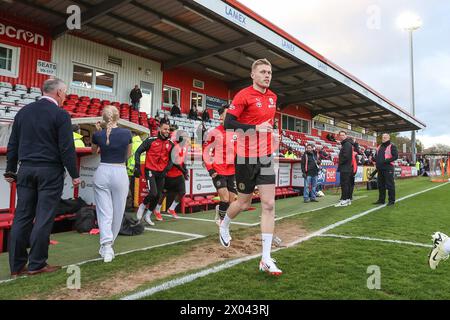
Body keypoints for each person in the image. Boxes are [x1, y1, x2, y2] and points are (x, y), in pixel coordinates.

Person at [4, 78, 80, 277]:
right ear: (58, 93)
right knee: (44, 217)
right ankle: (37, 264)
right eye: (65, 93)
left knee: (22, 217)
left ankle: (17, 266)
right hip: (49, 171)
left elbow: (13, 144)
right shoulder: (60, 114)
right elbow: (66, 148)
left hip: (26, 169)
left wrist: (11, 170)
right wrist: (75, 174)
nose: (65, 96)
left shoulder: (23, 112)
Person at [219, 58, 282, 275]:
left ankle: (265, 258)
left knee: (269, 205)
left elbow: (266, 125)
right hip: (245, 158)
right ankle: (224, 223)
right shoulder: (243, 95)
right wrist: (256, 127)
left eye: (270, 72)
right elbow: (228, 124)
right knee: (244, 203)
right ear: (252, 75)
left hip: (265, 157)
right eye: (263, 72)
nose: (267, 75)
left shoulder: (273, 97)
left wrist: (271, 134)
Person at [92, 105, 132, 263]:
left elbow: (93, 151)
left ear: (103, 118)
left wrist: (98, 132)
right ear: (118, 118)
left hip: (103, 171)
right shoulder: (127, 133)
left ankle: (106, 245)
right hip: (119, 171)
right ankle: (108, 245)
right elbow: (127, 155)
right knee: (117, 212)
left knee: (104, 212)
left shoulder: (98, 134)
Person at [202, 105, 237, 226]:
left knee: (232, 201)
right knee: (225, 198)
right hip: (218, 170)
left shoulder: (236, 132)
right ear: (221, 116)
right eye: (227, 114)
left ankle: (220, 210)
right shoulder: (214, 132)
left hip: (232, 171)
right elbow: (206, 151)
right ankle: (223, 224)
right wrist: (210, 169)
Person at [134, 122, 174, 224]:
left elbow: (172, 159)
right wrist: (137, 166)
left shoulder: (170, 144)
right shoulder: (150, 140)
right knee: (153, 193)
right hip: (150, 170)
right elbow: (138, 152)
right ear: (159, 129)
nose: (167, 131)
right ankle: (142, 205)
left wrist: (166, 169)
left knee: (158, 195)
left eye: (168, 130)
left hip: (161, 173)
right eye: (165, 129)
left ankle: (148, 215)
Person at [155, 130, 190, 219]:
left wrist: (185, 170)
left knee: (182, 192)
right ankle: (157, 210)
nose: (186, 139)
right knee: (164, 193)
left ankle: (171, 208)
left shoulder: (185, 146)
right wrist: (183, 171)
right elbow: (174, 162)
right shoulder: (174, 146)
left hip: (179, 173)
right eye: (184, 137)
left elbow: (184, 159)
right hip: (169, 172)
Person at [373, 133, 398, 206]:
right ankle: (381, 200)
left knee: (390, 185)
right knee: (380, 185)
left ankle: (391, 201)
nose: (383, 138)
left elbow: (395, 156)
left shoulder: (392, 146)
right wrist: (375, 160)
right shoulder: (379, 146)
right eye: (383, 137)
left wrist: (386, 161)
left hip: (388, 168)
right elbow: (376, 156)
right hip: (380, 168)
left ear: (389, 138)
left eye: (385, 137)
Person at [335, 130, 357, 207]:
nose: (342, 136)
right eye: (340, 135)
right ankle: (347, 199)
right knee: (346, 184)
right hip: (346, 167)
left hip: (345, 167)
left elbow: (346, 156)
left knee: (344, 184)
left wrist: (340, 162)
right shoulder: (346, 144)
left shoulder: (347, 144)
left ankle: (344, 200)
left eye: (343, 135)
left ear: (346, 136)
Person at [126, 132, 146, 211]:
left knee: (131, 189)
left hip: (133, 170)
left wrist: (130, 168)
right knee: (139, 190)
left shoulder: (132, 144)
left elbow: (130, 156)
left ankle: (131, 206)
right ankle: (137, 206)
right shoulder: (142, 143)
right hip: (142, 169)